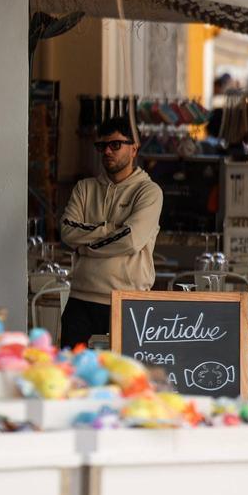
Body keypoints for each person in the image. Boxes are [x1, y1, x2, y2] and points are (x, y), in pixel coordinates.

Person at [59, 117, 164, 348]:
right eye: (102, 146)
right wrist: (111, 229)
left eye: (115, 145)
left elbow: (131, 240)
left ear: (134, 148)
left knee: (123, 371)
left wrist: (86, 248)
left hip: (128, 300)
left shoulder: (149, 192)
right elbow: (67, 231)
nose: (107, 151)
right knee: (71, 369)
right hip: (80, 299)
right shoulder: (84, 188)